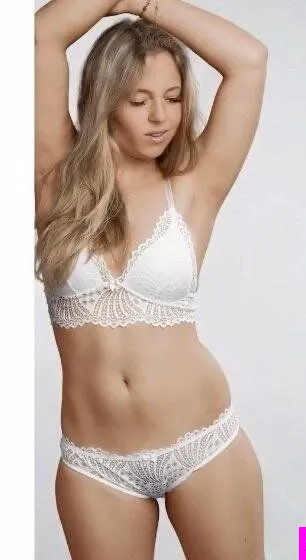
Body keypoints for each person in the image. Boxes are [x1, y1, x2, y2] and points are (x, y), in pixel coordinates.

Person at [34, 0, 268, 558]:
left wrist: (145, 4)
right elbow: (37, 37)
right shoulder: (54, 181)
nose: (161, 117)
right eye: (139, 101)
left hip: (202, 447)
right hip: (96, 465)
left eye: (173, 97)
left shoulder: (194, 185)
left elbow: (249, 61)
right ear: (104, 101)